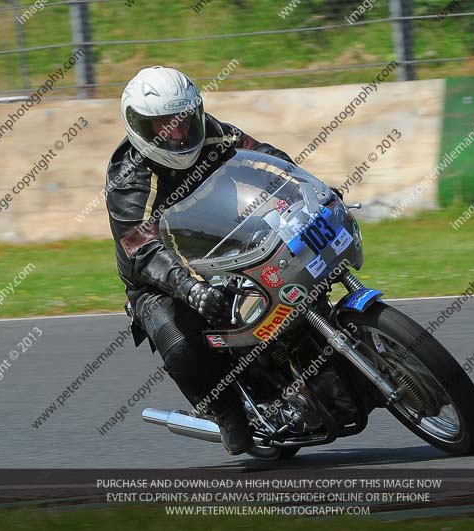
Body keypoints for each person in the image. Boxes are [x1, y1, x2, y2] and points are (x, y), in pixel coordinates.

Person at [105, 66, 294, 455]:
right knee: (178, 341)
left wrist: (301, 186)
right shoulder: (129, 178)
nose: (177, 133)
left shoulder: (209, 131)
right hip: (158, 279)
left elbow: (263, 156)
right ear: (139, 127)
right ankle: (227, 413)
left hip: (224, 240)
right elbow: (143, 249)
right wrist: (190, 289)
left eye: (183, 121)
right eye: (164, 126)